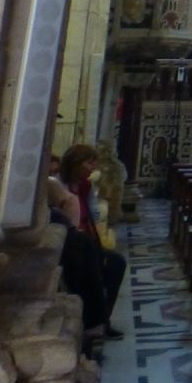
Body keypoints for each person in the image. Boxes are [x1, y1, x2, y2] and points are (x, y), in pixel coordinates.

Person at [57, 146, 127, 342]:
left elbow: (93, 213)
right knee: (91, 268)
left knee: (116, 263)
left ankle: (102, 321)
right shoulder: (58, 186)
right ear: (75, 164)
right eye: (89, 162)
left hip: (87, 241)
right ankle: (89, 323)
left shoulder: (86, 186)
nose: (93, 167)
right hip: (69, 244)